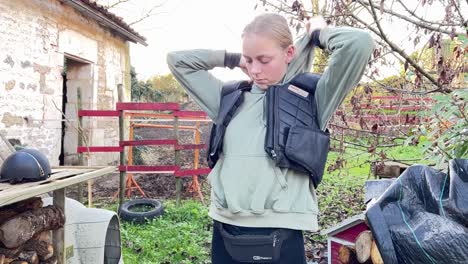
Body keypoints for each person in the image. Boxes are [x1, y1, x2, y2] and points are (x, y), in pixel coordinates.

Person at [167, 13, 374, 264]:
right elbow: (177, 61)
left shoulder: (312, 99)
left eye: (264, 60)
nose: (255, 70)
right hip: (224, 227)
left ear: (289, 53)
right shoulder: (228, 98)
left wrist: (318, 33)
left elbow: (359, 44)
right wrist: (232, 59)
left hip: (281, 232)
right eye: (249, 60)